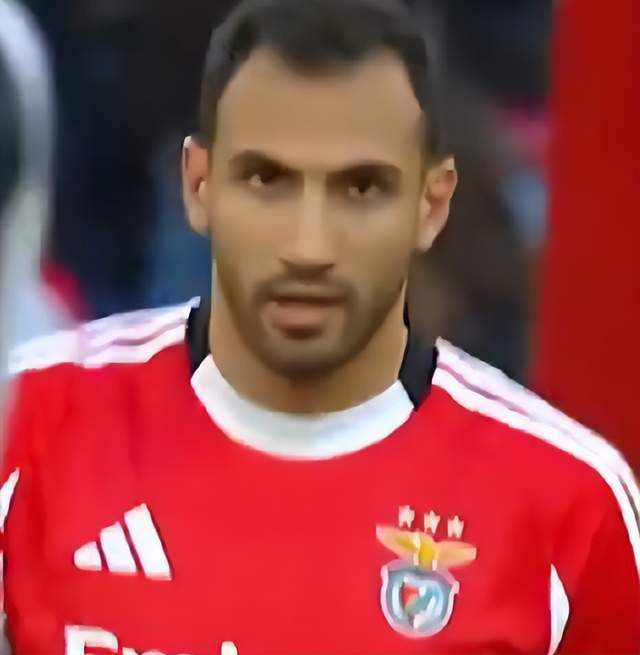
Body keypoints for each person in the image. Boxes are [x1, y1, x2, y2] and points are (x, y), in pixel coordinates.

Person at [1, 1, 639, 653]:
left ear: (432, 203)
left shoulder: (569, 507)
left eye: (361, 189)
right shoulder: (26, 427)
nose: (308, 246)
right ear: (199, 185)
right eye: (267, 180)